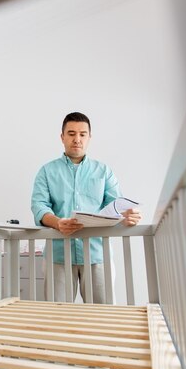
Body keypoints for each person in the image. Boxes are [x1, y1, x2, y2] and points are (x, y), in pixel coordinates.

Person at [31, 112, 141, 303]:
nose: (77, 139)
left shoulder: (104, 171)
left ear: (89, 137)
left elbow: (115, 205)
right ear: (62, 137)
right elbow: (39, 206)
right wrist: (58, 223)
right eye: (71, 133)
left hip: (97, 253)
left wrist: (127, 216)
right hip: (58, 254)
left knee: (103, 316)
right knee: (57, 316)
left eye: (82, 134)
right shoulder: (46, 171)